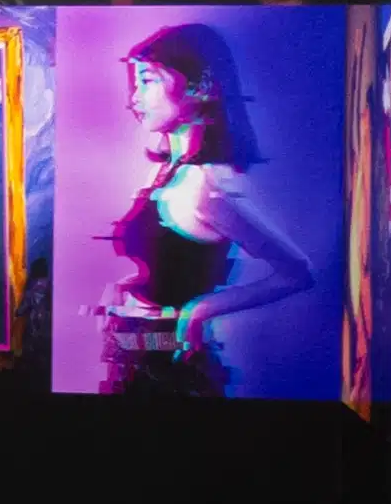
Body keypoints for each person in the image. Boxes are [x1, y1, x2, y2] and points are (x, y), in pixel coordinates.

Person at [100, 22, 315, 395]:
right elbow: (174, 263)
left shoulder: (208, 185)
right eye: (136, 82)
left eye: (147, 80)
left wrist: (199, 310)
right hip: (139, 359)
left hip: (170, 376)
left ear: (199, 86)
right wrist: (126, 288)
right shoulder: (168, 171)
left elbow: (297, 272)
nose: (133, 98)